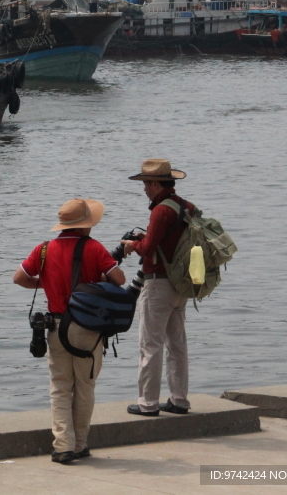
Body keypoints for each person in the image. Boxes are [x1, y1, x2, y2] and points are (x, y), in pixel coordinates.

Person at [13, 198, 125, 464]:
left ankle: (62, 445)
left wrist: (47, 284)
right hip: (88, 328)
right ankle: (79, 445)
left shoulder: (43, 249)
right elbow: (119, 280)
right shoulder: (95, 248)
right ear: (86, 225)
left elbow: (19, 278)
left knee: (60, 387)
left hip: (55, 326)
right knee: (84, 386)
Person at [121, 159, 195, 417]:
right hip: (181, 284)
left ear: (154, 183)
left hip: (158, 285)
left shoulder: (160, 210)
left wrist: (132, 245)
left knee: (150, 345)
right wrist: (147, 239)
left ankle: (148, 404)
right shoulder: (187, 207)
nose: (143, 189)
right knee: (177, 345)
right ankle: (179, 400)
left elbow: (150, 249)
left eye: (145, 184)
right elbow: (173, 242)